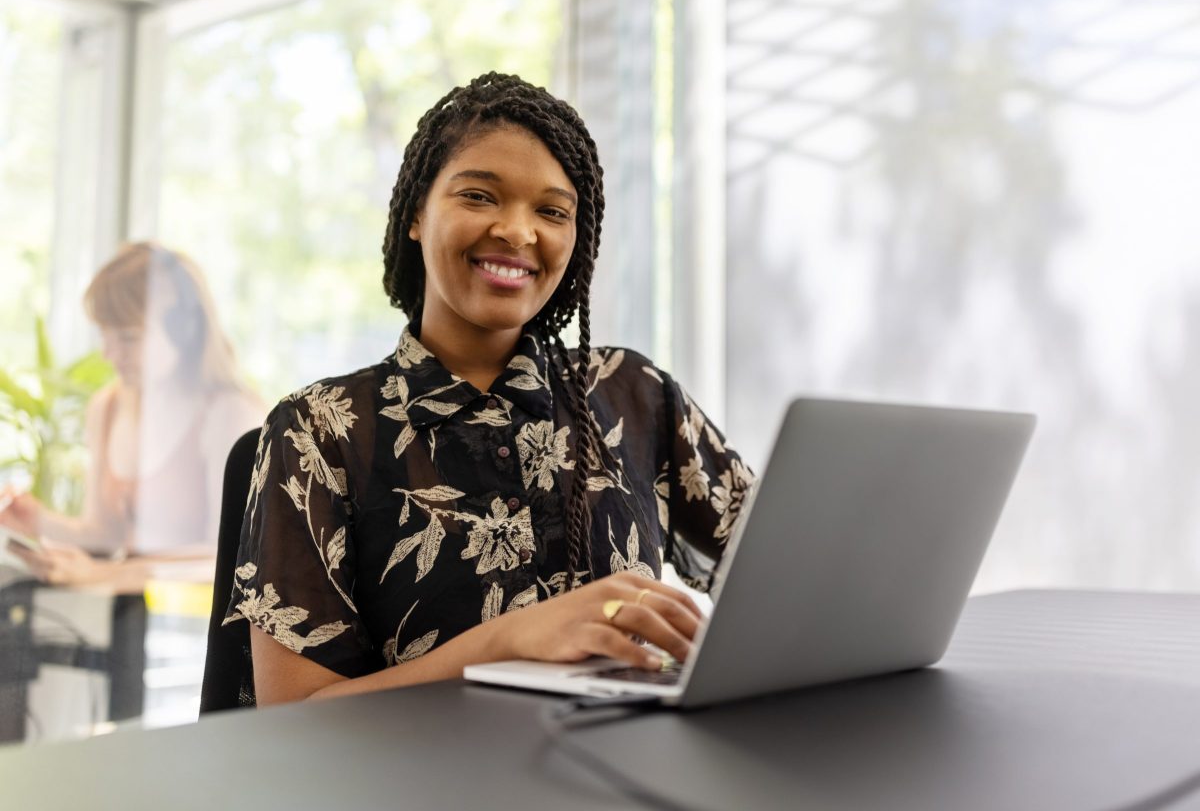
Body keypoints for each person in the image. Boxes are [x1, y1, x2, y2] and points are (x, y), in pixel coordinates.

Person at [227, 73, 753, 705]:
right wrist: (509, 639)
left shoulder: (633, 395)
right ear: (417, 214)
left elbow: (784, 573)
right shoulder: (320, 428)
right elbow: (291, 713)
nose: (518, 231)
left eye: (552, 212)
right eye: (479, 196)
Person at [0, 243, 265, 587]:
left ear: (184, 331)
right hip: (123, 618)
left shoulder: (230, 414)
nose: (109, 355)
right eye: (104, 336)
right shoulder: (106, 407)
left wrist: (103, 575)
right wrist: (39, 522)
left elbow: (233, 558)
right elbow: (107, 535)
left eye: (127, 338)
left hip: (191, 625)